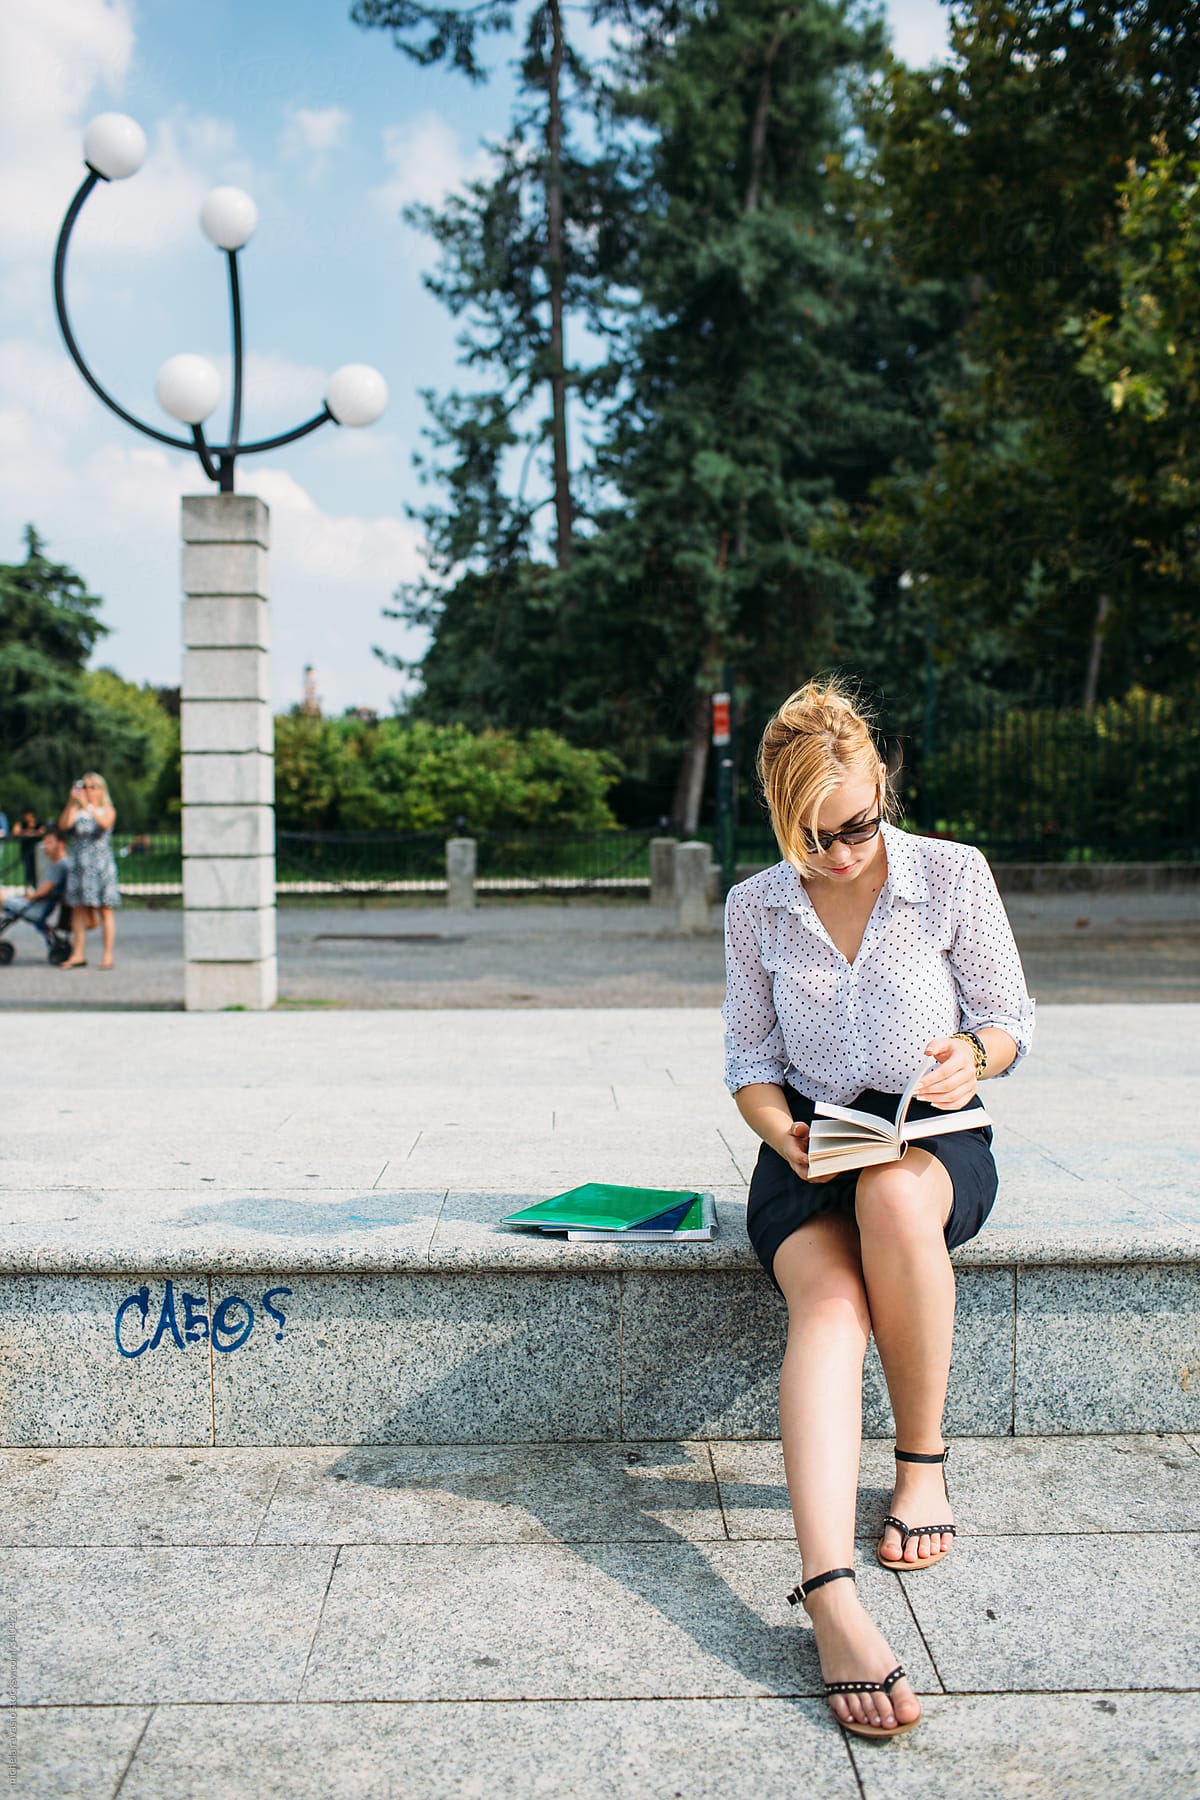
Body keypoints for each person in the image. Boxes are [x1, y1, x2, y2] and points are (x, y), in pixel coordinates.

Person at [722, 679, 1034, 1741]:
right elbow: (751, 1065)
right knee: (829, 1307)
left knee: (899, 1204)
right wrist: (780, 1134)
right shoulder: (755, 904)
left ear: (883, 786)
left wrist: (970, 1056)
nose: (842, 851)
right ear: (780, 817)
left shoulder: (952, 875)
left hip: (930, 1136)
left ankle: (921, 1466)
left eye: (856, 824)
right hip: (809, 1152)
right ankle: (827, 1592)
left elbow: (1008, 1017)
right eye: (814, 837)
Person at [58, 772, 121, 969]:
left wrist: (87, 806)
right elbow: (63, 826)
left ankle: (107, 955)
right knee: (78, 909)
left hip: (100, 864)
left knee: (105, 909)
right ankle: (78, 954)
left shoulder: (106, 810)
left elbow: (104, 824)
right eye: (84, 786)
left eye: (92, 786)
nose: (88, 791)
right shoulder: (77, 811)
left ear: (101, 790)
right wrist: (72, 803)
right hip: (80, 865)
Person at [1, 828, 68, 948]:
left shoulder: (59, 866)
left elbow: (43, 892)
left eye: (49, 843)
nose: (45, 847)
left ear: (61, 844)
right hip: (35, 906)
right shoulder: (59, 864)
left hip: (35, 909)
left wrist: (27, 896)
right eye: (45, 843)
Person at [11, 808, 44, 886]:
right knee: (28, 868)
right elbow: (15, 831)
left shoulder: (38, 823)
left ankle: (37, 885)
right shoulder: (22, 824)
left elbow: (42, 831)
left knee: (36, 869)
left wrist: (27, 832)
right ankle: (29, 886)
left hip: (36, 850)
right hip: (26, 850)